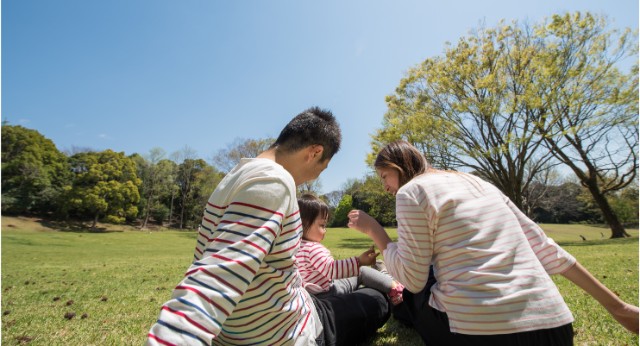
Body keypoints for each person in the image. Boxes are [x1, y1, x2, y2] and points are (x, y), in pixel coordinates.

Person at [347, 140, 639, 346]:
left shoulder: (411, 192)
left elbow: (413, 279)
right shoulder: (480, 183)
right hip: (556, 329)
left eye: (385, 176)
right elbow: (546, 249)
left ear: (398, 166)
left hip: (480, 334)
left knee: (412, 292)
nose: (385, 186)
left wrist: (376, 232)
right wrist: (619, 308)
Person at [147, 107, 389, 346]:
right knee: (377, 299)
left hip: (263, 318)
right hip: (293, 331)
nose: (315, 176)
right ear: (315, 152)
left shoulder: (233, 178)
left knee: (351, 291)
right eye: (321, 168)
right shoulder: (275, 181)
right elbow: (218, 274)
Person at [296, 193, 405, 305]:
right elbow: (331, 269)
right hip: (329, 293)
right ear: (303, 225)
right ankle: (395, 288)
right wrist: (359, 261)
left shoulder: (295, 248)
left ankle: (383, 273)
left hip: (313, 297)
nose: (325, 230)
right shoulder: (313, 248)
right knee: (361, 271)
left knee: (354, 274)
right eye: (322, 225)